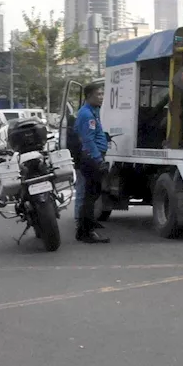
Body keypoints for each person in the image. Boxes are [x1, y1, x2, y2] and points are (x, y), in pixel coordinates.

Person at [73, 82, 110, 244]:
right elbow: (87, 140)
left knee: (93, 194)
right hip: (91, 159)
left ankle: (84, 228)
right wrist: (98, 159)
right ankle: (86, 231)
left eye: (102, 94)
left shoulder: (93, 112)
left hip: (93, 156)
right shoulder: (87, 114)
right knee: (90, 195)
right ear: (88, 96)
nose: (101, 97)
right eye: (98, 95)